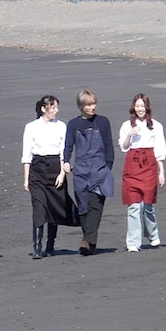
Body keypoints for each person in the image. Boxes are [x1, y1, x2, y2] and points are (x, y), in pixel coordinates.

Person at [22, 95, 76, 258]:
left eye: (57, 107)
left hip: (55, 167)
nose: (56, 111)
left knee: (55, 205)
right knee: (38, 206)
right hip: (37, 167)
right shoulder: (31, 127)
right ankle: (37, 247)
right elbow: (27, 153)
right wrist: (26, 178)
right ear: (43, 109)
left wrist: (61, 174)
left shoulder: (61, 127)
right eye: (53, 107)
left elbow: (63, 152)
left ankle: (50, 245)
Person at [64, 90, 114, 255]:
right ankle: (90, 243)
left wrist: (107, 167)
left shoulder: (103, 122)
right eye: (89, 104)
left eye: (94, 103)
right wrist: (66, 161)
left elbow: (108, 145)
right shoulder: (72, 124)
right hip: (81, 169)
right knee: (83, 207)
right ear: (81, 106)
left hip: (99, 168)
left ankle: (86, 241)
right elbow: (69, 145)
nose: (93, 107)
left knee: (96, 204)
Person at [118, 93, 166, 251]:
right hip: (132, 164)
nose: (140, 109)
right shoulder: (127, 125)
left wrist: (161, 172)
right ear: (133, 107)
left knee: (147, 205)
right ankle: (133, 242)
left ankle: (153, 234)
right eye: (137, 106)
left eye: (142, 106)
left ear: (147, 107)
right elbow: (124, 146)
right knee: (133, 205)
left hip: (149, 164)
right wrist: (130, 135)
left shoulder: (156, 126)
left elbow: (159, 150)